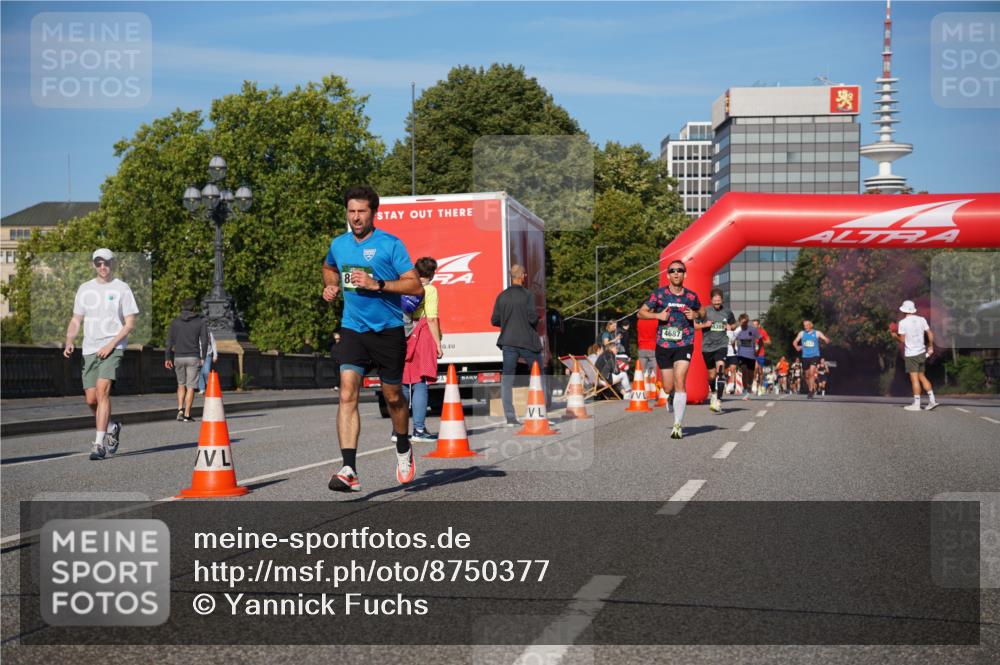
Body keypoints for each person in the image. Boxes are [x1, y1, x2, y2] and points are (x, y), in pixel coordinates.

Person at [322, 185, 424, 492]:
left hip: (388, 331)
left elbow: (415, 287)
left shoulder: (390, 244)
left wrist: (378, 283)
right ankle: (349, 468)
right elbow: (329, 267)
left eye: (361, 212)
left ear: (373, 213)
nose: (355, 217)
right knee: (346, 393)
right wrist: (331, 287)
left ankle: (403, 445)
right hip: (353, 328)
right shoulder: (339, 244)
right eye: (351, 211)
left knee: (393, 397)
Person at [62, 248, 138, 460]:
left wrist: (111, 344)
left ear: (112, 263)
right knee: (91, 399)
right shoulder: (85, 289)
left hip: (113, 347)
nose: (102, 267)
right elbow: (76, 318)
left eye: (106, 263)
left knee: (103, 391)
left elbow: (130, 323)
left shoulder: (122, 288)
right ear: (94, 265)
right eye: (98, 263)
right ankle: (112, 427)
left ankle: (98, 444)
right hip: (89, 348)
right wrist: (69, 340)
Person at [637, 259, 704, 439]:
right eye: (673, 271)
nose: (676, 273)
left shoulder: (691, 296)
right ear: (667, 275)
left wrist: (695, 314)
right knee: (668, 386)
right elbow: (640, 312)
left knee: (680, 379)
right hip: (664, 344)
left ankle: (677, 425)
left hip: (685, 342)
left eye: (680, 270)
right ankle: (671, 396)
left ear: (685, 274)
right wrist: (657, 315)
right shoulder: (659, 295)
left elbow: (703, 311)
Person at [491, 264, 544, 426]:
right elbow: (532, 318)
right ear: (522, 276)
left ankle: (510, 417)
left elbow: (494, 320)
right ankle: (537, 412)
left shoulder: (502, 296)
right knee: (538, 374)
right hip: (527, 341)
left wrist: (508, 321)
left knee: (507, 379)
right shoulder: (527, 295)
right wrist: (536, 320)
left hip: (508, 342)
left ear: (511, 276)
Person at [402, 257, 443, 443]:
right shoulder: (430, 290)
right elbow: (432, 318)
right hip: (423, 333)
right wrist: (438, 344)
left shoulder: (406, 286)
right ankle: (418, 429)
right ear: (432, 273)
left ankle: (398, 430)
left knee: (403, 381)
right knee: (420, 382)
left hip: (404, 334)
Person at [164, 298, 209, 423]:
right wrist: (203, 357)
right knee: (191, 387)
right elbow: (205, 341)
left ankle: (179, 409)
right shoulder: (200, 322)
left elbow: (169, 341)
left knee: (180, 385)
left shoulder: (175, 322)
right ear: (194, 308)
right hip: (193, 356)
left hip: (178, 356)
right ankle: (187, 414)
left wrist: (167, 357)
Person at [694, 288, 736, 413]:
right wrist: (704, 325)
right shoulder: (705, 311)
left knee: (721, 369)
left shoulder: (727, 312)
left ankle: (718, 400)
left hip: (722, 345)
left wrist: (730, 326)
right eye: (715, 301)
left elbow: (734, 324)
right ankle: (713, 392)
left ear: (722, 300)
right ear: (711, 300)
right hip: (707, 347)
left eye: (719, 301)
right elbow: (695, 325)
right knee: (711, 375)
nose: (717, 303)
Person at [891, 299, 938, 411]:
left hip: (911, 354)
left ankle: (916, 404)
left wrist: (894, 336)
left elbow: (903, 340)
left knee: (914, 379)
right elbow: (930, 333)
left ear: (904, 311)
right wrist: (930, 346)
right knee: (922, 376)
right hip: (922, 352)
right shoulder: (922, 320)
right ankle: (932, 400)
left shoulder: (902, 323)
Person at [793, 320, 831, 399]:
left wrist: (826, 340)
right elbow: (795, 341)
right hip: (805, 356)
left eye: (806, 325)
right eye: (804, 325)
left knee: (811, 373)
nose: (805, 327)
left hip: (815, 355)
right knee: (806, 375)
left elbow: (824, 338)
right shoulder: (802, 333)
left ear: (811, 325)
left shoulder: (817, 333)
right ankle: (811, 388)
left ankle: (810, 391)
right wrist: (796, 346)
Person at [734, 314, 761, 401]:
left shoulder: (753, 330)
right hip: (741, 354)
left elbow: (760, 339)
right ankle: (745, 390)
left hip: (751, 355)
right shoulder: (737, 330)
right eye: (742, 323)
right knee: (744, 371)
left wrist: (758, 350)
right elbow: (732, 340)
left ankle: (749, 385)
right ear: (739, 322)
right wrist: (735, 350)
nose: (744, 324)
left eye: (745, 322)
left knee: (751, 373)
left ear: (748, 321)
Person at [751, 318, 771, 395]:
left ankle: (760, 385)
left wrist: (762, 341)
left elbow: (769, 342)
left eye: (756, 325)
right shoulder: (751, 332)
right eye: (753, 325)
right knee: (755, 368)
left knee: (761, 372)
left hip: (761, 354)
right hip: (752, 354)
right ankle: (754, 383)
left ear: (759, 325)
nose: (754, 326)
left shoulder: (763, 332)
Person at [197, 330, 218, 395]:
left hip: (207, 355)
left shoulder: (209, 333)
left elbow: (213, 344)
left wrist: (215, 355)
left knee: (206, 371)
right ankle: (202, 389)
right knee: (199, 373)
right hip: (198, 356)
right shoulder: (195, 332)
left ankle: (209, 386)